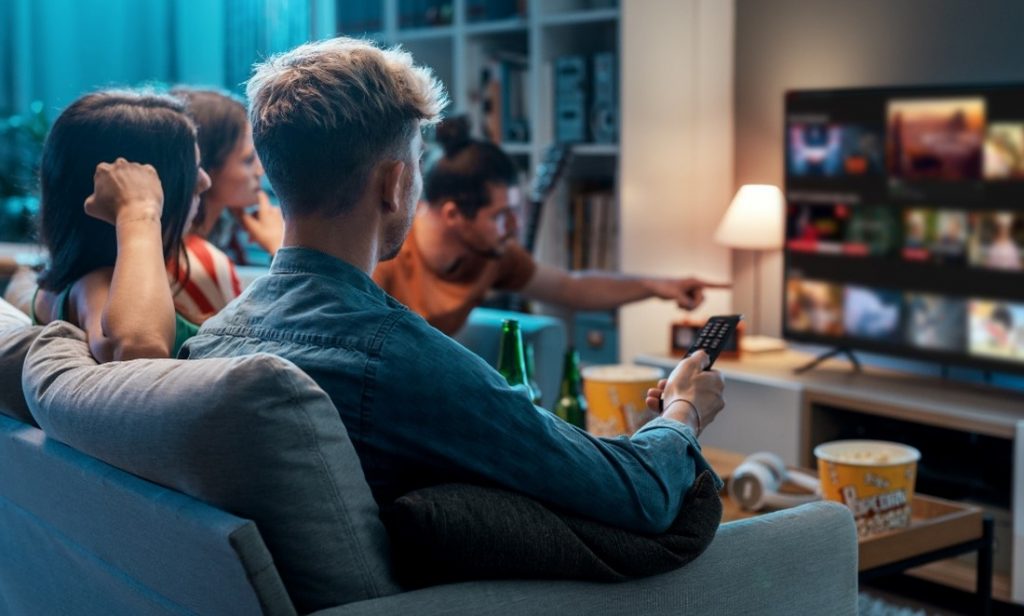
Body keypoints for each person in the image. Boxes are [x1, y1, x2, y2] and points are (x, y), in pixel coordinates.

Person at [182, 37, 726, 533]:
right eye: (417, 162)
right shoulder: (396, 356)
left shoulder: (207, 343)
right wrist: (685, 410)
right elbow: (638, 495)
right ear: (395, 183)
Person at [372, 117, 729, 336]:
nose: (515, 227)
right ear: (452, 214)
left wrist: (656, 286)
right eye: (501, 216)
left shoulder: (491, 253)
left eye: (517, 211)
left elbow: (571, 288)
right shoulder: (385, 258)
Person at [30, 89, 211, 361]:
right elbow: (138, 347)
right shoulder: (95, 285)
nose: (204, 182)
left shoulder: (55, 288)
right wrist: (138, 212)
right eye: (191, 171)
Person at [168, 87, 284, 321]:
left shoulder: (171, 247)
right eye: (248, 159)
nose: (260, 170)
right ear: (206, 169)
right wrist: (280, 249)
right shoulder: (198, 262)